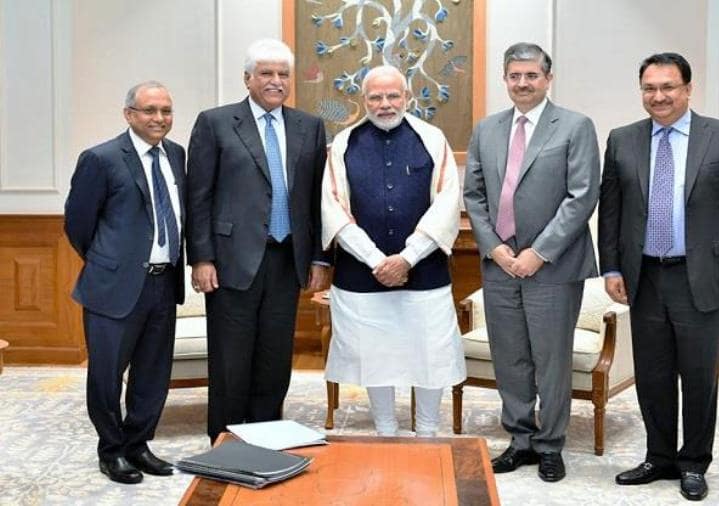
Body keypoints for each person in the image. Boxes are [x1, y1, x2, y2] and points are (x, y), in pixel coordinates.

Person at [598, 52, 719, 501]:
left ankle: (693, 462)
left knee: (699, 375)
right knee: (652, 374)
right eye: (649, 88)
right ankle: (659, 457)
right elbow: (610, 211)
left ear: (688, 89)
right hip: (644, 276)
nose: (659, 96)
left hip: (702, 276)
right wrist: (611, 266)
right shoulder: (622, 140)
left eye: (668, 87)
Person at [462, 43, 600, 482]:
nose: (522, 83)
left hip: (553, 267)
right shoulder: (487, 129)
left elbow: (582, 196)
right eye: (514, 76)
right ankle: (520, 440)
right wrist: (495, 248)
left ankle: (550, 444)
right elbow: (474, 195)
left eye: (531, 76)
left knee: (551, 359)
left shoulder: (575, 126)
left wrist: (538, 253)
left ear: (547, 78)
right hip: (499, 264)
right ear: (505, 79)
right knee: (510, 357)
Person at [186, 38, 328, 443]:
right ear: (247, 78)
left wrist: (319, 258)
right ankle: (226, 443)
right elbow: (198, 196)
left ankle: (266, 438)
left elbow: (317, 199)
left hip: (287, 260)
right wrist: (201, 258)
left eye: (283, 74)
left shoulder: (309, 127)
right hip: (231, 261)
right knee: (230, 360)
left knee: (274, 360)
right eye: (266, 73)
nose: (275, 81)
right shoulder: (215, 123)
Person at [321, 65, 465, 437]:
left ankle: (428, 433)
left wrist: (407, 258)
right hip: (362, 275)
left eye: (392, 96)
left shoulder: (432, 139)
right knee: (375, 358)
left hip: (424, 274)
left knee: (430, 356)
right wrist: (376, 260)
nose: (385, 104)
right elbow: (333, 208)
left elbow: (447, 203)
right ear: (363, 100)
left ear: (407, 97)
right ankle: (385, 431)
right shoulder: (344, 144)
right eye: (376, 97)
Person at [64, 81, 185, 484]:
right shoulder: (101, 158)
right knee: (106, 374)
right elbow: (78, 224)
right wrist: (110, 262)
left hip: (163, 283)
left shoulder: (177, 155)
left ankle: (138, 445)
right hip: (113, 286)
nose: (159, 118)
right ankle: (111, 450)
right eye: (150, 110)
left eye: (166, 111)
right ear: (129, 114)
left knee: (153, 373)